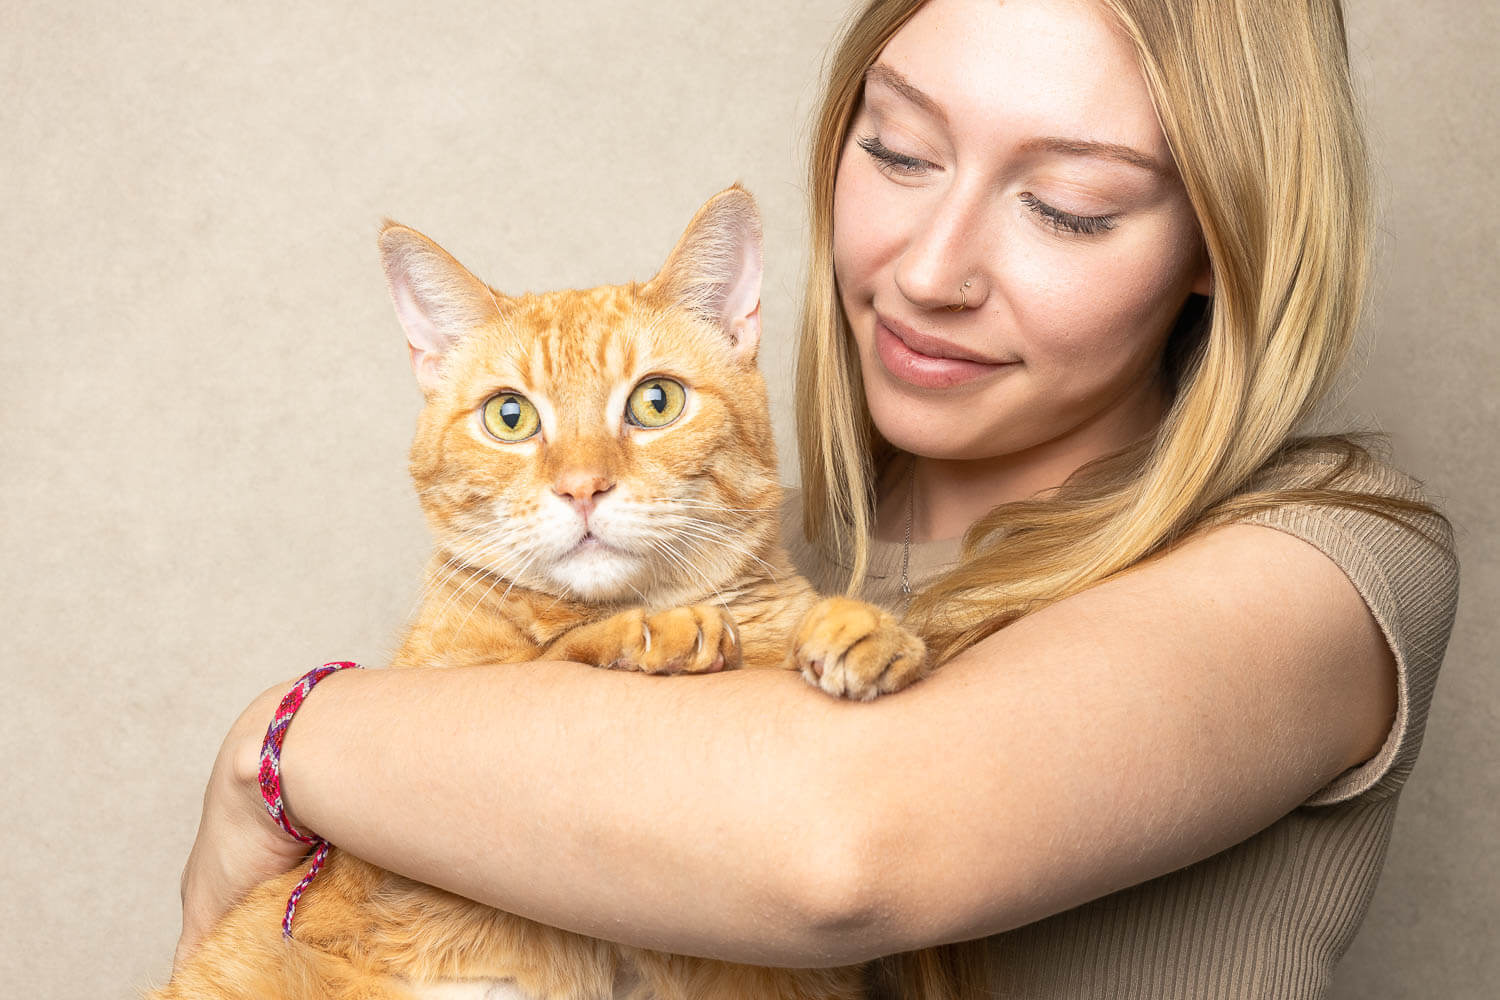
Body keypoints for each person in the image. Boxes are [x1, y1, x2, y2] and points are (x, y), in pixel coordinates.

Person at [174, 0, 1459, 996]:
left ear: (1225, 241)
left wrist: (279, 742)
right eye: (898, 150)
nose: (932, 271)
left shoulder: (1330, 553)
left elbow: (843, 846)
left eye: (1069, 208)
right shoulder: (743, 549)